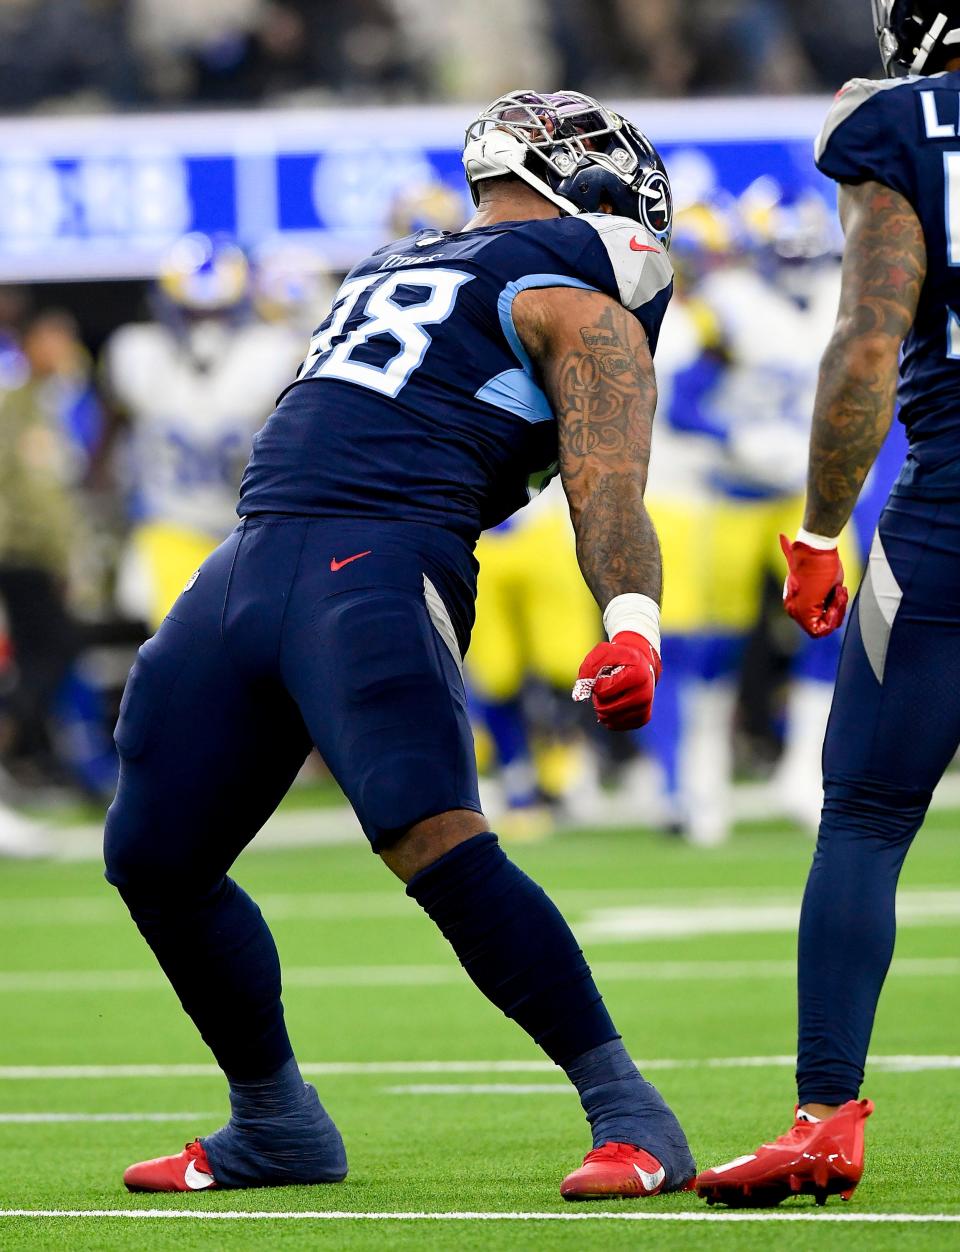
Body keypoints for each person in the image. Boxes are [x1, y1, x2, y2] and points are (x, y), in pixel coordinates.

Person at [106, 89, 696, 1200]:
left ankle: (634, 1112)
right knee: (154, 854)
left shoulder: (411, 262)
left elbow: (600, 483)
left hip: (366, 560)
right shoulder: (577, 288)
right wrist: (632, 620)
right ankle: (275, 1121)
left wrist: (631, 623)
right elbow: (605, 481)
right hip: (258, 551)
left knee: (430, 832)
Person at [696, 0, 960, 1207]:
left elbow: (867, 342)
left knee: (863, 812)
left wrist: (815, 531)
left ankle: (824, 1119)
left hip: (953, 518)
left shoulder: (901, 123)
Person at [101, 233, 301, 631]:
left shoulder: (274, 352)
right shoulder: (136, 352)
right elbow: (107, 450)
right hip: (170, 533)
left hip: (252, 534)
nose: (206, 327)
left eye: (218, 313)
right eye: (194, 314)